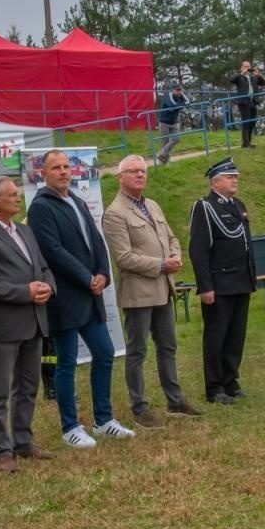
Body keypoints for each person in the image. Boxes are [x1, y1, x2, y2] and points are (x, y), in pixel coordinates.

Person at [26, 149, 135, 448]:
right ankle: (70, 427)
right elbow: (52, 250)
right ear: (43, 174)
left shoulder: (76, 200)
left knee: (104, 352)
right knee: (67, 362)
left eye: (66, 166)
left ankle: (104, 419)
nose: (63, 171)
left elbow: (96, 240)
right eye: (56, 167)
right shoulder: (41, 207)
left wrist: (102, 271)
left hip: (90, 294)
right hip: (65, 297)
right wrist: (86, 278)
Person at [101, 155, 202, 427]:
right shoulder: (114, 213)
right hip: (137, 293)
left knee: (168, 346)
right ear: (120, 177)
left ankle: (175, 400)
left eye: (143, 171)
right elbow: (123, 258)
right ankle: (139, 407)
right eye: (133, 171)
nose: (139, 175)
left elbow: (171, 237)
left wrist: (175, 256)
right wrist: (160, 264)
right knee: (137, 351)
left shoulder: (153, 205)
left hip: (162, 288)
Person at [0, 175, 56, 474]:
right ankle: (1, 450)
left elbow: (43, 267)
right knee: (0, 390)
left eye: (18, 193)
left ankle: (23, 441)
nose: (19, 198)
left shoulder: (25, 231)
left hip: (34, 321)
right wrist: (25, 292)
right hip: (6, 325)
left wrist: (47, 287)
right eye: (13, 194)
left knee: (28, 386)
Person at [188, 157, 254, 404]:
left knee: (236, 335)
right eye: (229, 177)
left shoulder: (238, 204)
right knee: (217, 336)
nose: (235, 180)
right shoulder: (204, 207)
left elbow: (245, 243)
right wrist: (205, 286)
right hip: (219, 283)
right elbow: (199, 249)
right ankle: (214, 386)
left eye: (235, 176)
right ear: (215, 182)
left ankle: (230, 379)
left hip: (240, 280)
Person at [229, 60, 265, 148]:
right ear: (242, 68)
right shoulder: (240, 77)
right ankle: (245, 143)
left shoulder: (253, 77)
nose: (247, 68)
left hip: (253, 101)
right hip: (243, 102)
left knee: (252, 122)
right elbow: (231, 80)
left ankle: (248, 141)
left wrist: (259, 75)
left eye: (249, 67)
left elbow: (263, 83)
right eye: (245, 66)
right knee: (245, 122)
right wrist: (242, 73)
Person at [156, 83, 188, 165]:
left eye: (180, 90)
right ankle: (164, 162)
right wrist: (182, 105)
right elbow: (173, 105)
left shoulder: (181, 95)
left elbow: (188, 102)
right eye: (177, 90)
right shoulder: (168, 96)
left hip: (174, 122)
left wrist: (179, 105)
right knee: (165, 142)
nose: (179, 92)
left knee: (176, 139)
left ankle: (161, 154)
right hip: (164, 122)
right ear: (173, 90)